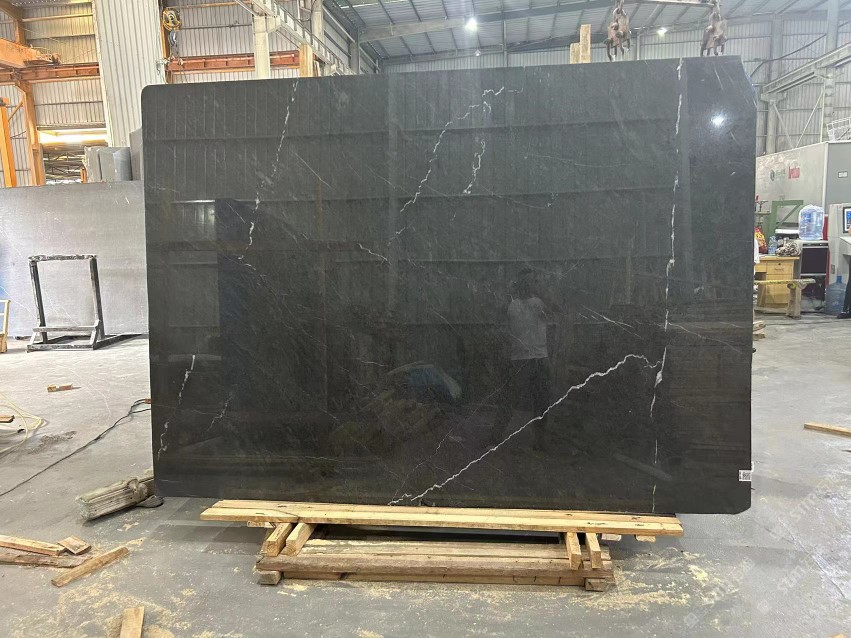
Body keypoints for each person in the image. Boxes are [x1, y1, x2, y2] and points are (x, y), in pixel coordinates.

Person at [492, 269, 557, 446]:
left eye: (531, 281)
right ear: (518, 284)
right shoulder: (511, 304)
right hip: (519, 359)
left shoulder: (539, 303)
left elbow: (555, 310)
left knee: (542, 400)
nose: (527, 284)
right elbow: (499, 321)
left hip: (539, 357)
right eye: (524, 281)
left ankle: (539, 440)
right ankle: (495, 436)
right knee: (509, 398)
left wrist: (540, 291)